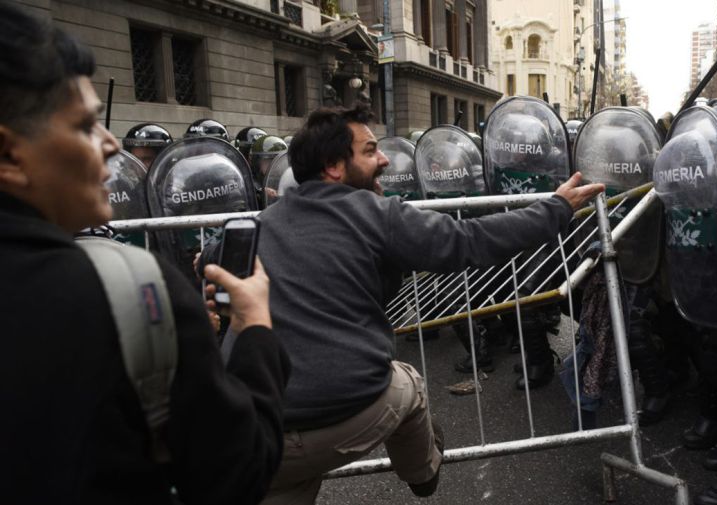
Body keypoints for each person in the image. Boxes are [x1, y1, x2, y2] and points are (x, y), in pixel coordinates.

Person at [0, 4, 291, 503]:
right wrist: (255, 327)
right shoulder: (130, 292)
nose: (113, 145)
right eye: (86, 126)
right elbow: (237, 472)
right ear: (9, 156)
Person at [250, 105, 604, 504]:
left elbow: (209, 259)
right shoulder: (376, 214)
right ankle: (423, 474)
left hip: (255, 431)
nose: (384, 158)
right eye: (369, 152)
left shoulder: (258, 225)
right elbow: (470, 240)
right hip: (341, 416)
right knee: (408, 384)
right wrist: (555, 209)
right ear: (333, 166)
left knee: (289, 479)